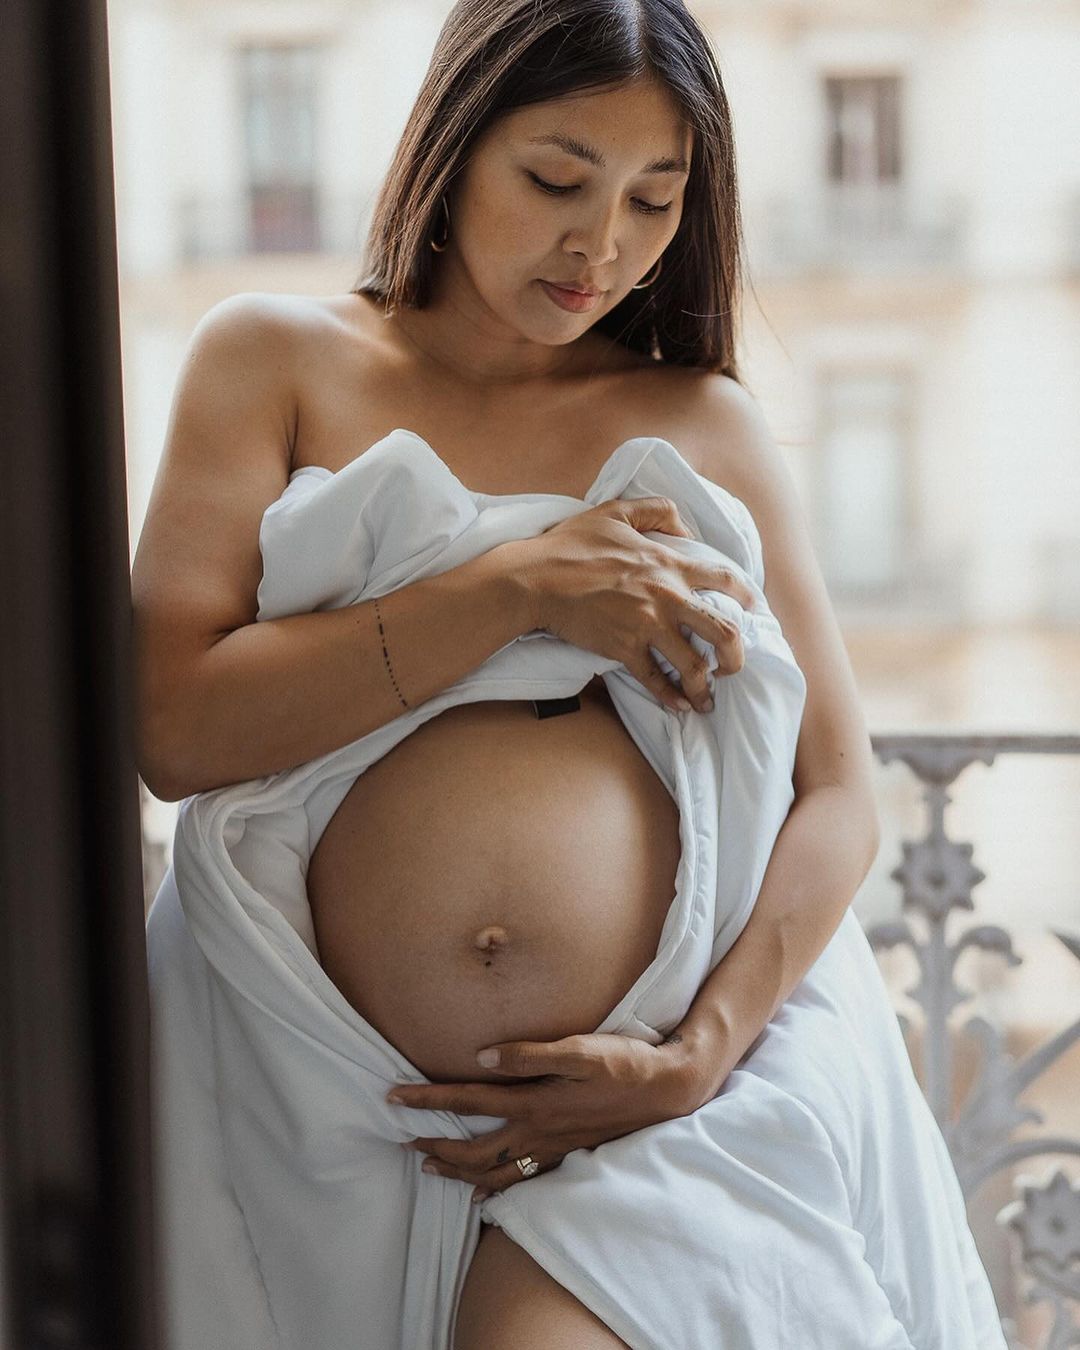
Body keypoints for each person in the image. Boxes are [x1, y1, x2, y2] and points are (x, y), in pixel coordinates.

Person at [133, 3, 1006, 1347]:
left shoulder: (702, 421)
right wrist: (519, 587)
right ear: (455, 140)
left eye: (656, 199)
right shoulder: (274, 363)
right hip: (326, 1096)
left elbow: (838, 791)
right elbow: (176, 727)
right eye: (556, 180)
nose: (601, 245)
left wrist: (695, 1054)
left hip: (661, 1106)